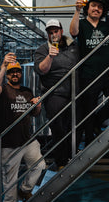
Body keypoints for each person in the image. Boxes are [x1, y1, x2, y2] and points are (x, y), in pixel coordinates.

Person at [70, 0, 109, 146]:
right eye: (93, 6)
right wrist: (77, 11)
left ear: (102, 10)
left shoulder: (106, 26)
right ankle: (90, 144)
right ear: (88, 8)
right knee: (88, 110)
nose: (96, 9)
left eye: (100, 7)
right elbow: (73, 32)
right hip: (88, 74)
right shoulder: (82, 24)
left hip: (107, 73)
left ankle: (98, 121)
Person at [0, 53, 46, 202]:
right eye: (11, 72)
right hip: (8, 141)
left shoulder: (27, 91)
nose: (15, 74)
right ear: (7, 75)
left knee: (40, 165)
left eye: (17, 72)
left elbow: (35, 114)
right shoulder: (3, 90)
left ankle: (25, 190)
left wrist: (37, 106)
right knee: (9, 176)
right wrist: (3, 66)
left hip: (26, 139)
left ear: (21, 73)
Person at [34, 19, 79, 170]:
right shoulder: (43, 50)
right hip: (54, 93)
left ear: (61, 31)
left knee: (72, 126)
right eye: (50, 32)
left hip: (74, 93)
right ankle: (61, 161)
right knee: (58, 125)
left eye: (56, 31)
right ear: (48, 34)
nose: (54, 35)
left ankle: (70, 154)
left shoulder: (73, 46)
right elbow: (41, 70)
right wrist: (50, 57)